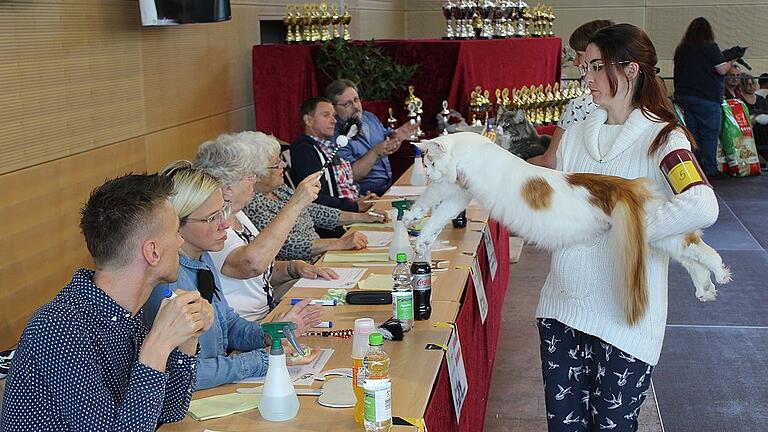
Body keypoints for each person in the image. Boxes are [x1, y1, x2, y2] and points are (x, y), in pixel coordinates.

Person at [536, 24, 719, 432]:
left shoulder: (665, 140)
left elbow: (702, 203)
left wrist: (625, 224)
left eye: (597, 67)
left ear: (631, 70)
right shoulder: (574, 139)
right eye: (586, 67)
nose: (587, 77)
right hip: (561, 308)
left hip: (627, 319)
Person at [1, 174, 213, 431]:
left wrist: (187, 338)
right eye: (175, 232)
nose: (180, 241)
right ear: (152, 252)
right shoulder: (58, 328)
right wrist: (157, 345)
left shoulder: (124, 314)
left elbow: (169, 412)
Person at [143, 163, 321, 390]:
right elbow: (182, 373)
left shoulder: (203, 257)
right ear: (176, 224)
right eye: (211, 218)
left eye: (223, 212)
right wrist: (262, 360)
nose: (225, 224)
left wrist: (268, 335)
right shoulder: (165, 283)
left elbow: (227, 323)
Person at [195, 131, 340, 321]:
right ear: (228, 187)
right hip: (246, 327)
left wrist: (292, 268)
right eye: (250, 176)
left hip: (267, 311)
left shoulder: (238, 213)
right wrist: (296, 203)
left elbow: (259, 274)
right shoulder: (214, 224)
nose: (255, 181)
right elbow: (250, 265)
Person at [243, 133, 386, 262]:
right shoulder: (250, 204)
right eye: (276, 164)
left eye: (281, 159)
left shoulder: (278, 188)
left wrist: (362, 217)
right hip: (299, 271)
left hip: (320, 258)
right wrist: (339, 243)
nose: (284, 165)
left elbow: (314, 211)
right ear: (257, 174)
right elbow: (285, 245)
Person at [529, 20, 614, 168]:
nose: (575, 62)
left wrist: (517, 162)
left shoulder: (580, 106)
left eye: (579, 54)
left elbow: (550, 162)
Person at [325, 79, 417, 196]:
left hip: (388, 188)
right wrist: (375, 152)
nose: (355, 106)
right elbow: (351, 175)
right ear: (334, 109)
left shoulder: (369, 117)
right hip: (364, 196)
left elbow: (387, 139)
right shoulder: (336, 136)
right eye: (347, 104)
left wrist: (397, 136)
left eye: (356, 100)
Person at [290, 97, 378, 212]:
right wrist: (354, 206)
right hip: (338, 221)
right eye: (326, 115)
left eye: (334, 115)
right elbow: (314, 197)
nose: (334, 120)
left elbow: (341, 187)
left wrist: (362, 199)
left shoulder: (327, 146)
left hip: (352, 210)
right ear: (308, 120)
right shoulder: (304, 150)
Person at [673, 17, 734, 177]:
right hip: (706, 98)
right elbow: (721, 70)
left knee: (693, 134)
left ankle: (696, 168)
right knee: (709, 133)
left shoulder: (682, 49)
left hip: (684, 96)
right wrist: (731, 61)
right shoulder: (710, 47)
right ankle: (710, 170)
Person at [738, 73, 768, 152]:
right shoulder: (739, 99)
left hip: (763, 135)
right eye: (748, 84)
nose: (751, 86)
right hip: (748, 136)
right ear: (742, 85)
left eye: (753, 84)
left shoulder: (761, 99)